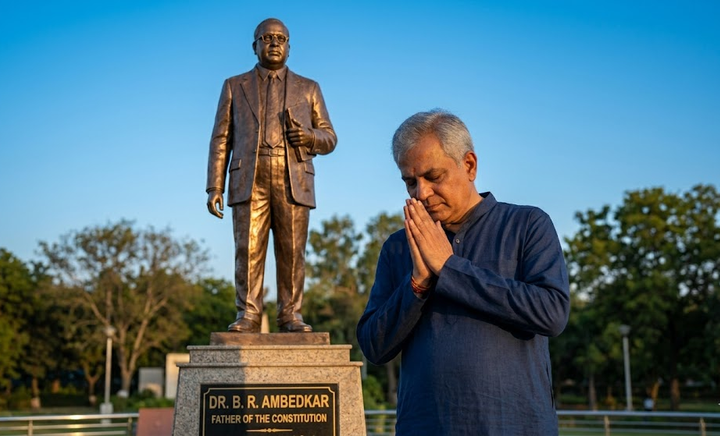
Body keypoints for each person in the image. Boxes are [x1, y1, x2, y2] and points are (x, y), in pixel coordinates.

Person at [357, 109, 569, 435]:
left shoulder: (527, 225)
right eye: (410, 182)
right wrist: (417, 285)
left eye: (433, 176)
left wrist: (449, 268)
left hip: (516, 425)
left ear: (469, 165)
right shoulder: (399, 246)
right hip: (424, 426)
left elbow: (552, 313)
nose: (421, 193)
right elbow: (374, 347)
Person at [206, 18, 337, 333]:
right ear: (255, 46)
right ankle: (248, 314)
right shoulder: (234, 85)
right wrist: (214, 186)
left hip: (293, 177)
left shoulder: (309, 88)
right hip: (249, 177)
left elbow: (329, 137)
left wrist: (307, 137)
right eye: (267, 37)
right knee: (247, 250)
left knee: (292, 251)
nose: (274, 42)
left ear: (289, 47)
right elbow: (221, 138)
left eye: (281, 38)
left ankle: (290, 314)